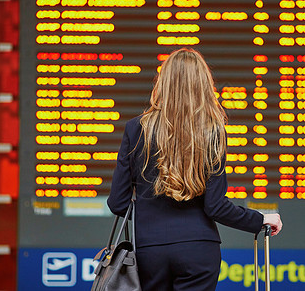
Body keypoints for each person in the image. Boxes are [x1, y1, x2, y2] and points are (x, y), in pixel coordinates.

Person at [107, 48, 282, 291]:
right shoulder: (213, 131)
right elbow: (215, 206)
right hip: (199, 250)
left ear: (163, 83)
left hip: (149, 252)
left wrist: (151, 213)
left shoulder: (136, 128)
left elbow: (117, 203)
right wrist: (260, 219)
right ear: (203, 84)